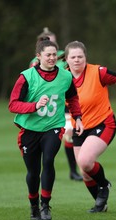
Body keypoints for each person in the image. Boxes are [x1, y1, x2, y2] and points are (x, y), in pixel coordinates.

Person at [8, 37, 84, 220]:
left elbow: (72, 98)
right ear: (38, 56)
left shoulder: (65, 76)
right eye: (47, 55)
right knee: (33, 171)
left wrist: (78, 117)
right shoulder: (26, 76)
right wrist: (34, 106)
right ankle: (34, 206)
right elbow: (13, 105)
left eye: (53, 55)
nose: (51, 58)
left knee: (48, 160)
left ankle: (45, 205)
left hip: (53, 126)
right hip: (29, 129)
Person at [64, 40, 116, 213]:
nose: (77, 60)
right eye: (73, 57)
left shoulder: (98, 72)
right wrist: (66, 124)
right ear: (66, 59)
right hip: (79, 127)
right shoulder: (62, 78)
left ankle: (104, 185)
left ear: (86, 57)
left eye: (80, 56)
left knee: (85, 161)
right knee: (85, 171)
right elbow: (60, 104)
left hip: (103, 123)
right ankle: (100, 204)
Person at [30, 27, 83, 181]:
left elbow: (75, 63)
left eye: (52, 39)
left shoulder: (62, 57)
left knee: (69, 134)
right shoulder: (35, 63)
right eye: (46, 40)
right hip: (45, 107)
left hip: (65, 102)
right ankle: (70, 171)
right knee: (61, 138)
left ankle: (73, 171)